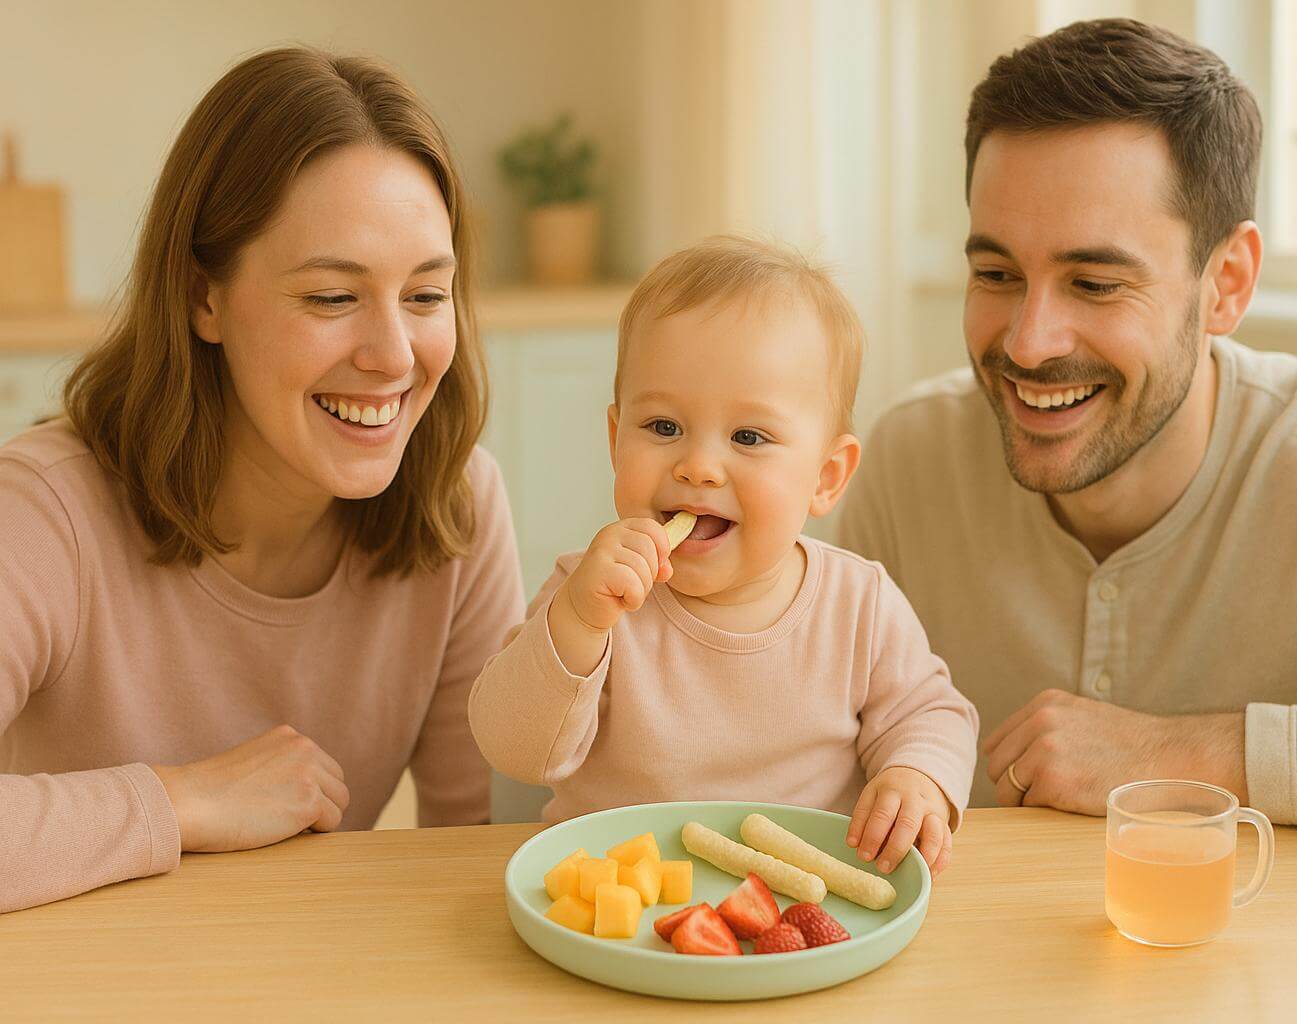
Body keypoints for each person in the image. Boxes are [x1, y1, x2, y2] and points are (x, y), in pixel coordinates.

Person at [837, 19, 1297, 842]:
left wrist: (1192, 756)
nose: (1028, 341)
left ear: (1227, 284)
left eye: (1094, 283)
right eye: (996, 274)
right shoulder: (908, 460)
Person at [0, 48, 524, 914]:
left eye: (427, 297)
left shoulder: (457, 503)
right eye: (330, 298)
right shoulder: (42, 511)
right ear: (204, 297)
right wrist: (178, 800)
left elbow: (475, 850)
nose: (393, 356)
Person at [469, 236, 979, 876]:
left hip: (791, 918)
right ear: (614, 438)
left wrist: (916, 776)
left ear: (825, 476)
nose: (699, 466)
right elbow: (515, 751)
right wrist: (576, 625)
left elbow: (934, 713)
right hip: (620, 911)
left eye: (748, 436)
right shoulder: (587, 595)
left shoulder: (861, 605)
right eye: (662, 427)